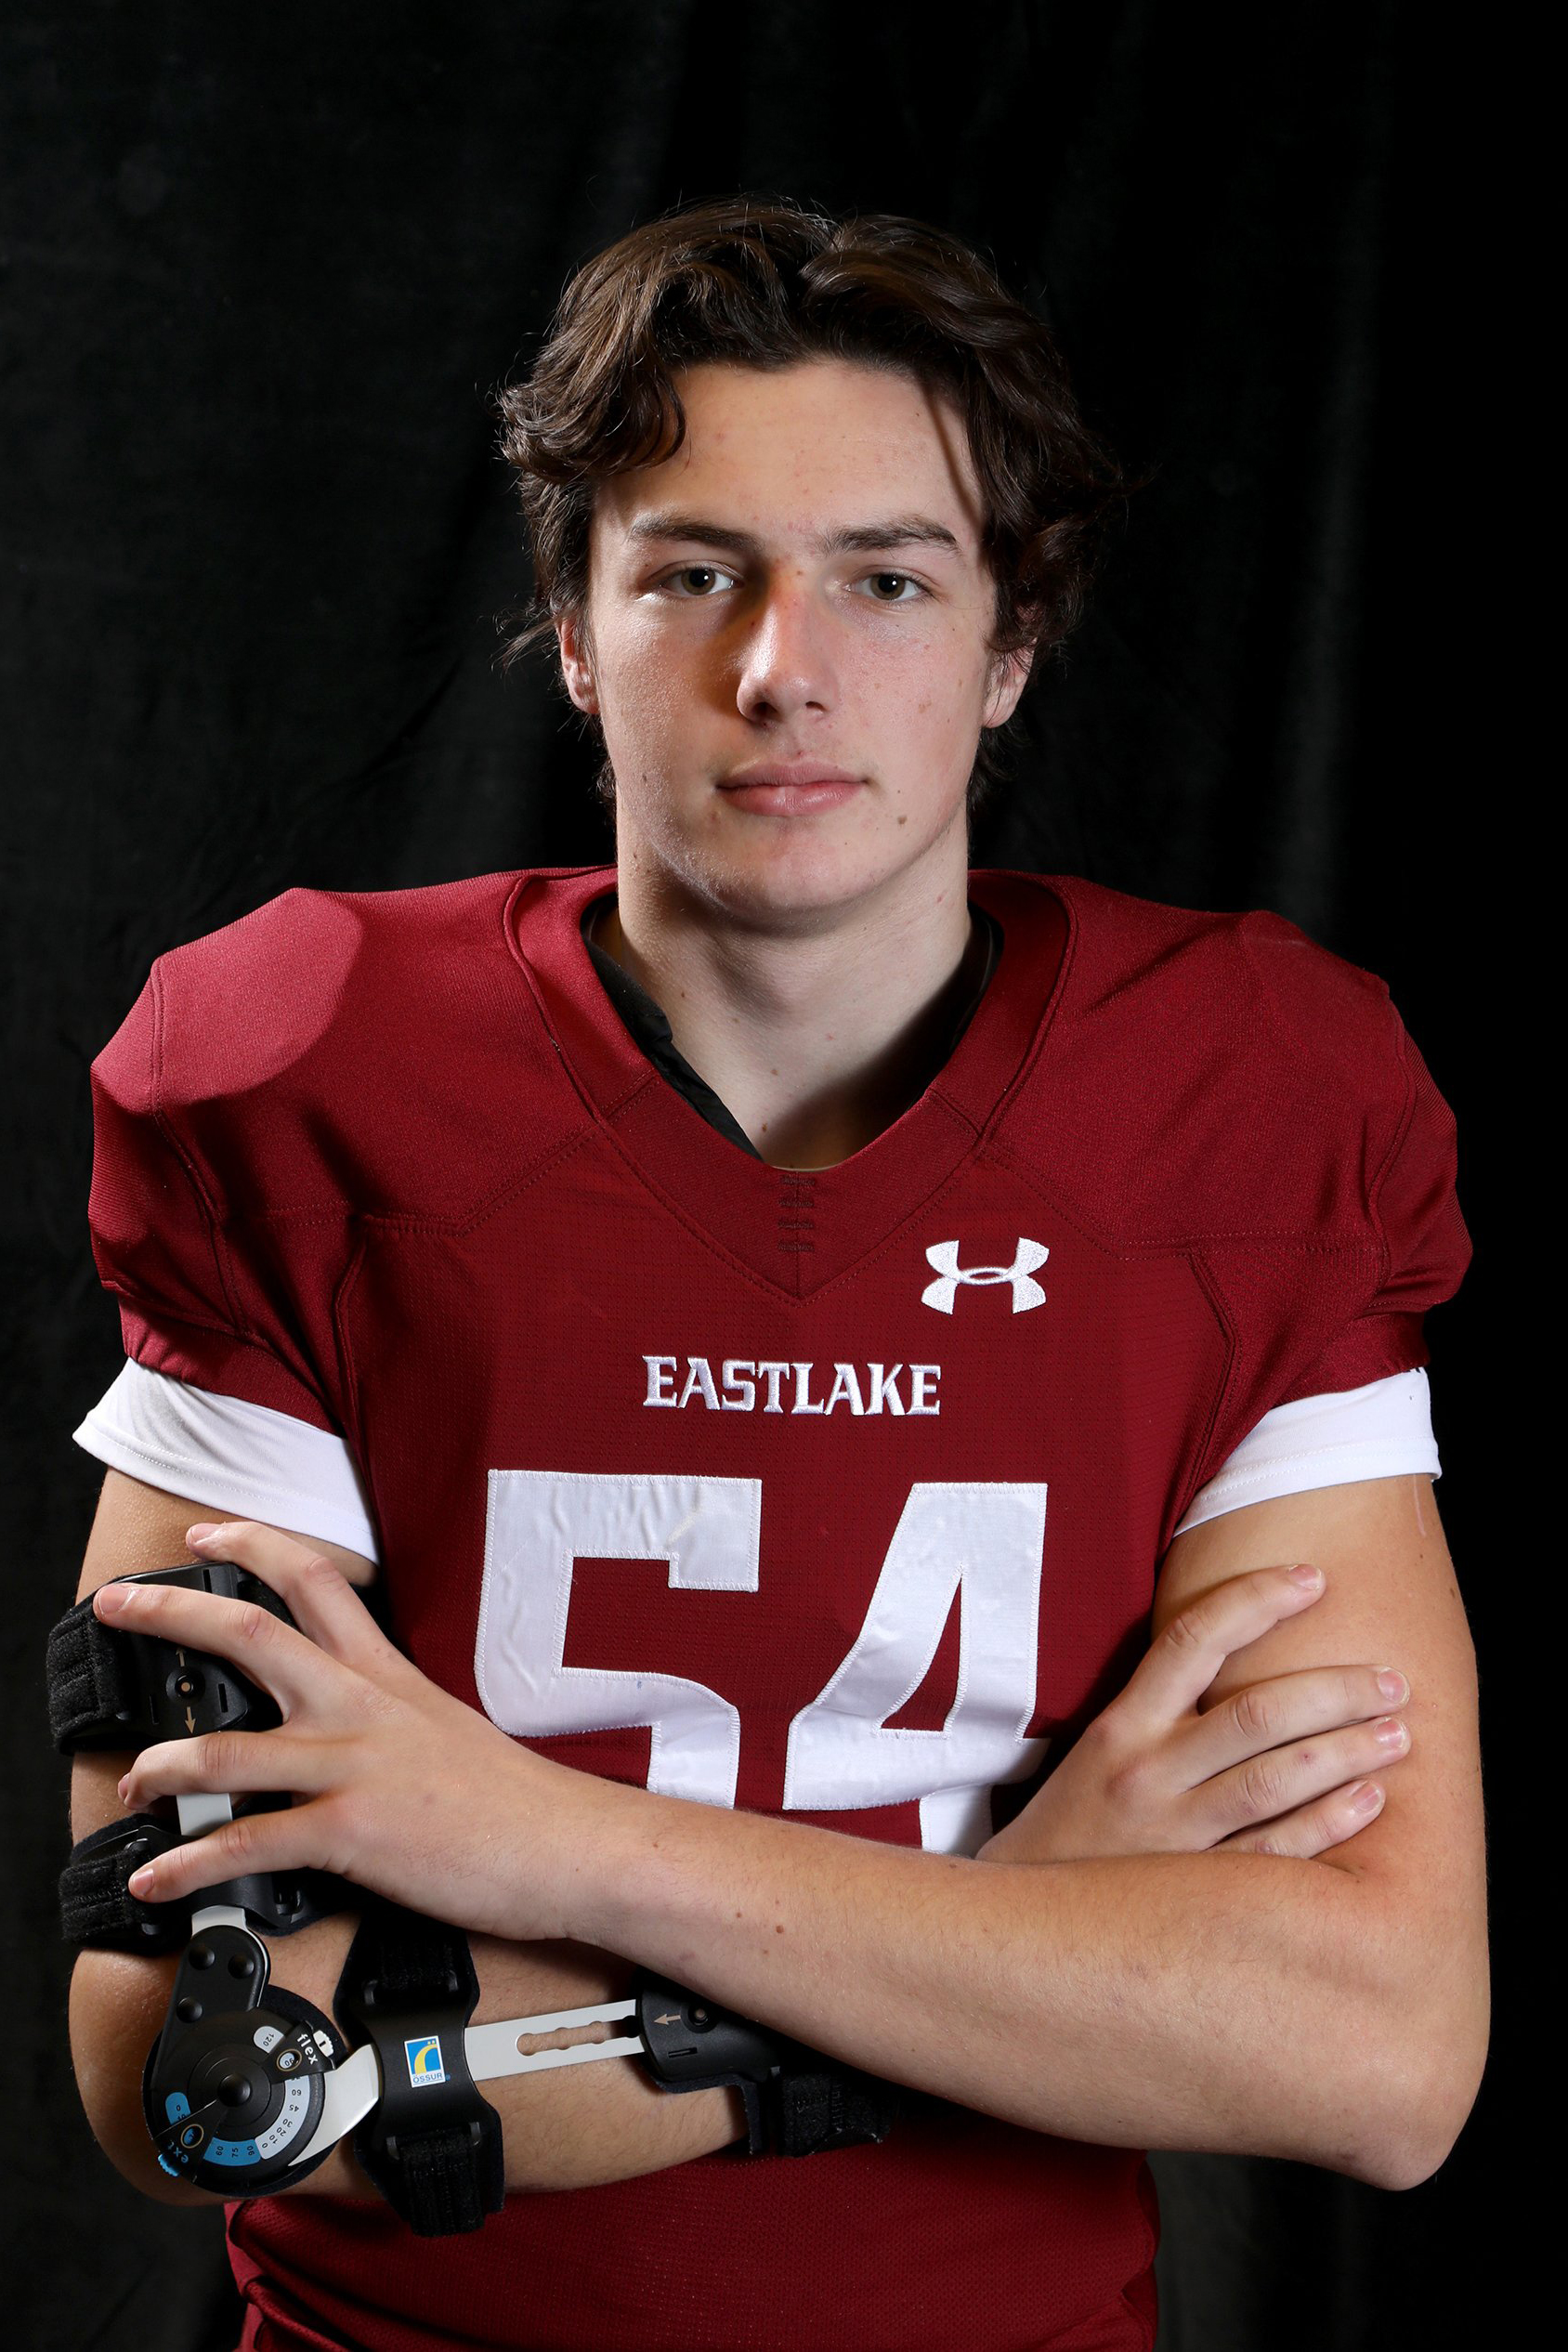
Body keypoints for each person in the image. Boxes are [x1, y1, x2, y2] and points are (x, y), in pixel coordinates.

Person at [64, 200, 1485, 2352]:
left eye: (887, 578)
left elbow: (1370, 2054)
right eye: (692, 572)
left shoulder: (1239, 1111)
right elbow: (204, 2087)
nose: (781, 668)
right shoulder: (310, 1082)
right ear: (571, 624)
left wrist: (548, 1848)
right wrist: (1023, 1931)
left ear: (1010, 643)